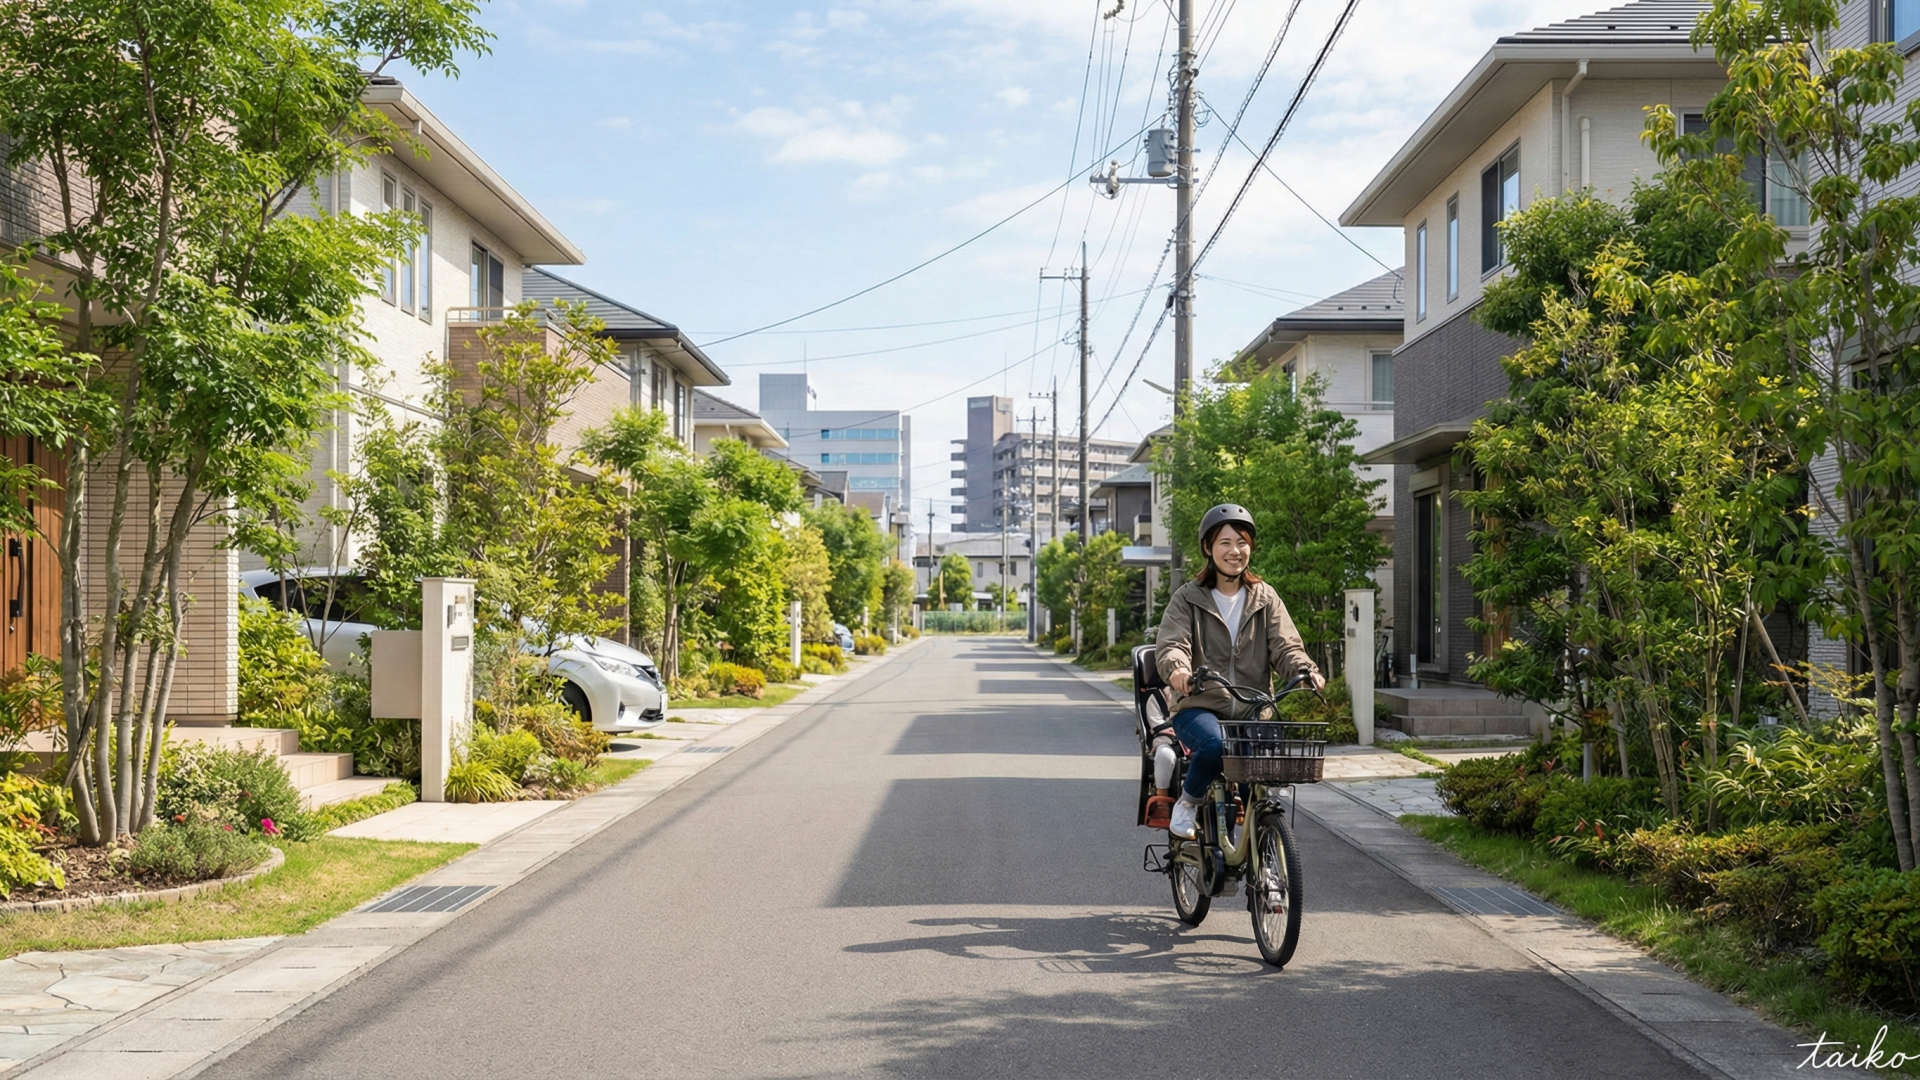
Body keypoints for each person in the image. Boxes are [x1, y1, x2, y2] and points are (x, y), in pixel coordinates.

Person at [1153, 503, 1324, 840]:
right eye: (1225, 543)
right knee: (1217, 746)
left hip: (1252, 709)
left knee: (1258, 776)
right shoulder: (1187, 599)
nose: (1235, 551)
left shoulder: (1265, 598)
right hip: (1199, 706)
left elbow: (1286, 646)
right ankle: (1187, 804)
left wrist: (1305, 670)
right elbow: (1173, 645)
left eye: (1242, 542)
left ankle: (1261, 853)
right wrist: (1178, 671)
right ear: (1208, 547)